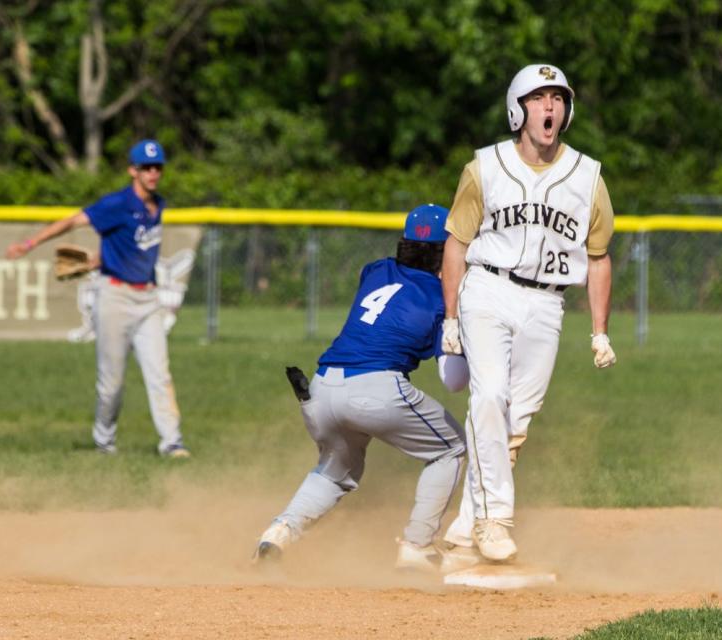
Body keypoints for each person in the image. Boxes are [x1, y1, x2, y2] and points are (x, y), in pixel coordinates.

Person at [439, 64, 616, 564]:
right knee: (489, 394)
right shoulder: (485, 167)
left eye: (558, 98)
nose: (550, 107)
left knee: (515, 422)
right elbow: (456, 245)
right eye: (539, 98)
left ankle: (462, 530)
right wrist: (450, 318)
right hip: (488, 290)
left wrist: (599, 331)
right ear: (518, 110)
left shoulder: (587, 176)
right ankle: (494, 521)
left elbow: (598, 257)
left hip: (547, 301)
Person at [254, 204, 469, 571]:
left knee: (337, 470)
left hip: (322, 386)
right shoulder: (439, 297)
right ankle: (418, 546)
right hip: (376, 387)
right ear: (446, 250)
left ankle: (278, 534)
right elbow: (453, 380)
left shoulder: (377, 270)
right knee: (451, 448)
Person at [6, 139, 190, 458]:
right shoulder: (117, 203)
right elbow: (73, 221)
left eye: (157, 166)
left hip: (148, 300)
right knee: (111, 383)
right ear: (132, 170)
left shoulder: (157, 205)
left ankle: (171, 441)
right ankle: (104, 441)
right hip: (115, 298)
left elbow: (133, 247)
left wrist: (102, 256)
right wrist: (30, 243)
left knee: (160, 374)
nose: (152, 172)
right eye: (146, 167)